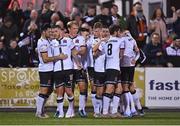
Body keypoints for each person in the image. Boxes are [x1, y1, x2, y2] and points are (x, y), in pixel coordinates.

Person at [35, 23, 67, 118]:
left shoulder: (47, 41)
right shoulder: (42, 43)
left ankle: (41, 110)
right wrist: (59, 57)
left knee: (48, 91)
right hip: (45, 70)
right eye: (49, 31)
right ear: (43, 32)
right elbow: (45, 59)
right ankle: (38, 112)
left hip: (50, 69)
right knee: (44, 90)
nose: (50, 33)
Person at [98, 24, 124, 118]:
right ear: (116, 32)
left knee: (119, 88)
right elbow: (121, 55)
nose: (120, 33)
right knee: (110, 89)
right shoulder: (120, 40)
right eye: (119, 31)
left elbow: (100, 51)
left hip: (110, 67)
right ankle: (104, 112)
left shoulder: (106, 41)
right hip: (113, 67)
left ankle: (114, 112)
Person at [67, 21, 88, 117]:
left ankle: (81, 109)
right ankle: (71, 109)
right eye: (74, 28)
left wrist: (75, 52)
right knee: (69, 90)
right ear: (69, 29)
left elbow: (83, 51)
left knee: (82, 87)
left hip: (79, 67)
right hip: (68, 67)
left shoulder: (81, 38)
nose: (76, 30)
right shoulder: (65, 39)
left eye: (77, 28)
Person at [120, 31, 140, 117]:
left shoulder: (120, 39)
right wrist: (135, 59)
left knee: (124, 87)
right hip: (130, 65)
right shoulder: (132, 39)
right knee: (129, 86)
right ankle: (135, 108)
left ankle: (129, 109)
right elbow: (138, 52)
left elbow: (121, 53)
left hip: (124, 65)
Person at [92, 23, 108, 117]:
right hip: (99, 69)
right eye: (97, 31)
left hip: (108, 68)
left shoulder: (109, 41)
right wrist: (101, 42)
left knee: (108, 90)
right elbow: (94, 52)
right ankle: (97, 111)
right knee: (99, 91)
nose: (101, 32)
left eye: (102, 31)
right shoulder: (96, 41)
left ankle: (105, 111)